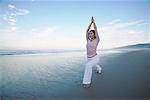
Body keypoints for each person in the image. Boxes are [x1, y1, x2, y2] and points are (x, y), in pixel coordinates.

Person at [83, 16, 102, 88]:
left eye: (91, 33)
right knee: (95, 65)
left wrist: (94, 22)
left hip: (95, 57)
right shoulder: (87, 40)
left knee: (88, 66)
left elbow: (96, 29)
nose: (90, 34)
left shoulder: (97, 40)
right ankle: (99, 69)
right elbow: (86, 30)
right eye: (89, 33)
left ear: (94, 34)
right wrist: (90, 23)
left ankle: (87, 82)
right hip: (88, 58)